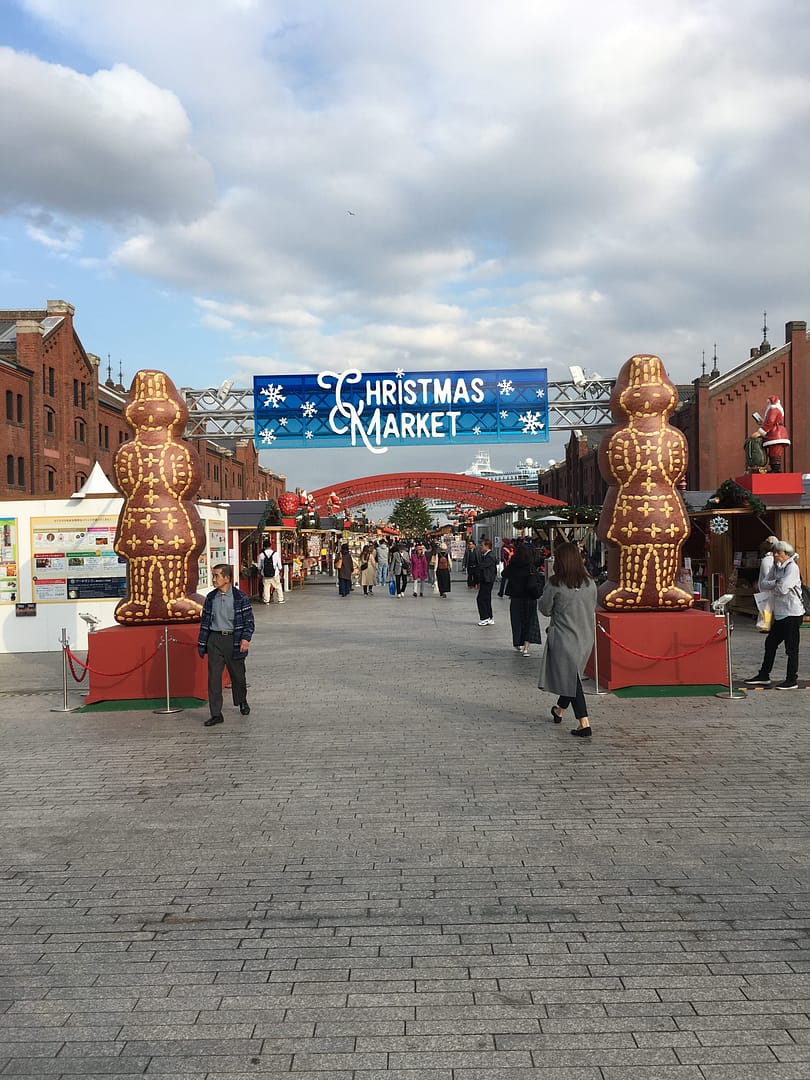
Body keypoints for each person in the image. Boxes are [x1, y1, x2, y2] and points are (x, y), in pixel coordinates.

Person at [538, 541, 598, 737]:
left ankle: (584, 723)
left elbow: (545, 609)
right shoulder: (590, 583)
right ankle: (559, 710)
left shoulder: (555, 583)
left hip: (564, 638)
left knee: (571, 678)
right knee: (572, 677)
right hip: (586, 637)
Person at [197, 563, 254, 727]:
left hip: (233, 640)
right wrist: (203, 643)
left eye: (216, 576)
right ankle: (216, 714)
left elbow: (249, 621)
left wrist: (245, 639)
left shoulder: (240, 598)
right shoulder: (210, 598)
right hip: (215, 640)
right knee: (214, 678)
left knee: (238, 677)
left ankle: (241, 700)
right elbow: (205, 622)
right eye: (213, 576)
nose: (213, 579)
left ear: (227, 578)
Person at [745, 540, 804, 690]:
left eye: (779, 552)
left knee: (791, 648)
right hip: (779, 613)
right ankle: (764, 675)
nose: (775, 555)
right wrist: (776, 582)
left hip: (792, 613)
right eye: (774, 552)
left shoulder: (792, 568)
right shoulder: (776, 567)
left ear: (787, 554)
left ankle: (792, 679)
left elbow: (783, 589)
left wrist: (775, 584)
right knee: (770, 643)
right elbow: (763, 584)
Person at [502, 543, 542, 655]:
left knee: (517, 621)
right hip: (529, 598)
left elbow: (504, 573)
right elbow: (537, 580)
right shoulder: (530, 566)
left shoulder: (513, 565)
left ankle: (517, 643)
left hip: (516, 598)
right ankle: (526, 648)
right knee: (530, 622)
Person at [476, 538, 497, 625]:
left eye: (482, 545)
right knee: (487, 599)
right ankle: (489, 617)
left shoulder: (490, 556)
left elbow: (482, 566)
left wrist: (477, 568)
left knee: (481, 599)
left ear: (487, 546)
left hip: (487, 580)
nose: (481, 547)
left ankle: (485, 617)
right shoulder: (486, 555)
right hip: (486, 579)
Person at [258, 540, 285, 604]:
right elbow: (280, 565)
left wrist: (259, 573)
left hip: (265, 574)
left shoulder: (261, 555)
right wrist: (280, 571)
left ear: (264, 547)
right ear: (270, 546)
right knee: (278, 586)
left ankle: (266, 600)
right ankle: (280, 599)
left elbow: (259, 566)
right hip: (275, 573)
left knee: (266, 587)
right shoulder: (276, 554)